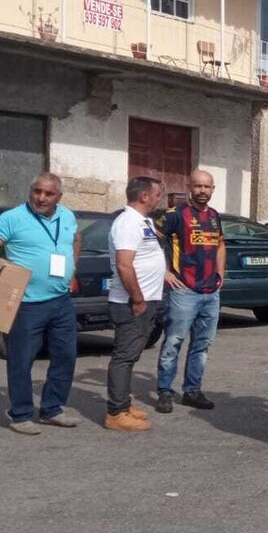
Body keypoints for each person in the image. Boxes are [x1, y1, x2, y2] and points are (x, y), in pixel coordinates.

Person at [0, 172, 82, 434]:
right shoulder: (12, 218)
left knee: (66, 355)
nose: (40, 198)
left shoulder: (67, 216)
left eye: (48, 194)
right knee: (21, 359)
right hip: (26, 303)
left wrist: (72, 270)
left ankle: (52, 408)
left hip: (61, 300)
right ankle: (20, 414)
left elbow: (75, 239)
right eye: (36, 191)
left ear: (59, 197)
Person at [154, 170, 225, 413]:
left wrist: (220, 274)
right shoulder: (175, 215)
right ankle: (164, 390)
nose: (203, 191)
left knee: (202, 345)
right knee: (174, 341)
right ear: (189, 187)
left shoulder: (215, 216)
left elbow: (220, 244)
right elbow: (153, 239)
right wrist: (165, 272)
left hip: (210, 291)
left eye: (207, 186)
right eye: (198, 186)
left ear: (213, 189)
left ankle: (192, 390)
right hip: (184, 290)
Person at [105, 176, 167, 432]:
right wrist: (138, 298)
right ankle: (116, 413)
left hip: (147, 300)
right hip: (132, 302)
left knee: (132, 355)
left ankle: (123, 403)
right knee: (124, 355)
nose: (158, 199)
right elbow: (123, 264)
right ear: (144, 196)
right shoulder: (127, 223)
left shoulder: (143, 221)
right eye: (156, 195)